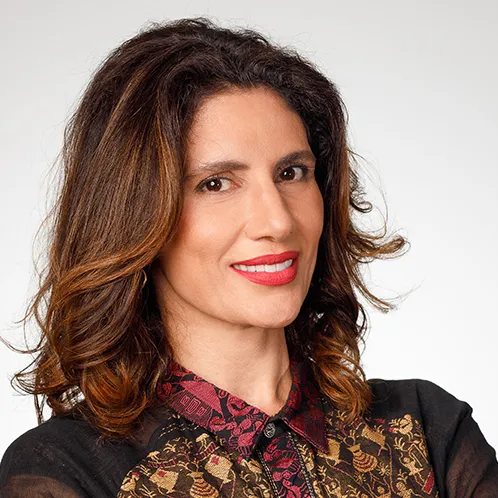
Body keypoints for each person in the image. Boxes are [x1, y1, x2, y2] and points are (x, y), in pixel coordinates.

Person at [0, 17, 497, 498]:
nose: (277, 221)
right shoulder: (67, 472)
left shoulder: (427, 428)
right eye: (216, 183)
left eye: (291, 173)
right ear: (135, 214)